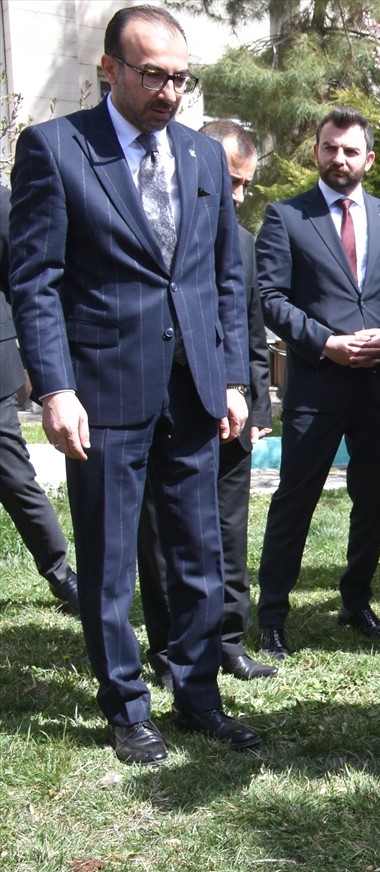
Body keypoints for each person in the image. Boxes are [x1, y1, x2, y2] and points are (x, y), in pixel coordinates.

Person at [9, 4, 258, 765]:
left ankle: (197, 693)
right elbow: (37, 281)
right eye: (153, 74)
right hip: (104, 392)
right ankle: (126, 707)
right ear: (109, 70)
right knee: (112, 559)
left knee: (196, 553)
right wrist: (54, 388)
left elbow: (223, 277)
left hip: (194, 392)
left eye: (181, 77)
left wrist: (235, 378)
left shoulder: (202, 157)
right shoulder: (56, 149)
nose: (170, 91)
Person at [254, 107, 380, 660]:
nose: (338, 159)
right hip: (317, 382)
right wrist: (326, 341)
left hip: (378, 385)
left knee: (374, 498)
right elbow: (270, 299)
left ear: (368, 158)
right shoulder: (286, 217)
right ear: (316, 151)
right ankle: (272, 613)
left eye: (350, 151)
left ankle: (356, 600)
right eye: (329, 148)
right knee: (295, 497)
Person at [139, 119, 277, 686]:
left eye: (244, 185)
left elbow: (249, 329)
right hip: (165, 402)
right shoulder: (156, 226)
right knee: (162, 530)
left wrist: (255, 404)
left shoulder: (240, 241)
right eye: (229, 181)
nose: (236, 196)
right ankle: (170, 647)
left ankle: (227, 638)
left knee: (227, 527)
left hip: (231, 409)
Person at [0, 186, 79, 614]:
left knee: (12, 476)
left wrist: (41, 365)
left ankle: (61, 573)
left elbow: (23, 282)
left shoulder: (0, 202)